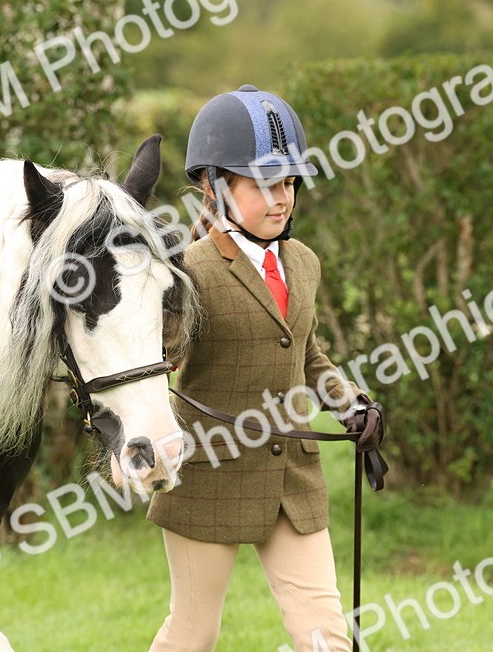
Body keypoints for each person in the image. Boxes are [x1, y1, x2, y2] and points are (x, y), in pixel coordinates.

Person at [147, 85, 385, 652]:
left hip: (291, 480)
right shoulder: (189, 270)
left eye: (291, 183)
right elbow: (160, 358)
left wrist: (350, 403)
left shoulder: (303, 263)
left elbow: (305, 353)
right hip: (210, 475)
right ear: (215, 187)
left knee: (328, 635)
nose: (283, 198)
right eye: (265, 184)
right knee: (193, 633)